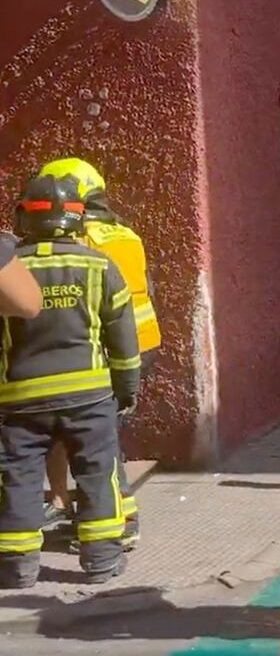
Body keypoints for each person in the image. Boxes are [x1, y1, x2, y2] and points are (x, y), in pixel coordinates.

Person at [0, 174, 140, 588]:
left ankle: (17, 566)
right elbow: (123, 338)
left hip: (20, 399)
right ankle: (100, 560)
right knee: (98, 471)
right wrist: (126, 388)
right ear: (77, 219)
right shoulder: (99, 266)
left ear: (25, 217)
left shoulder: (10, 269)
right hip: (90, 397)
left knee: (19, 477)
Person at [37, 157, 158, 549]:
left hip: (105, 349)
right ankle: (88, 510)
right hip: (140, 344)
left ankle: (121, 522)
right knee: (100, 436)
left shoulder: (79, 239)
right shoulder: (124, 233)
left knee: (95, 441)